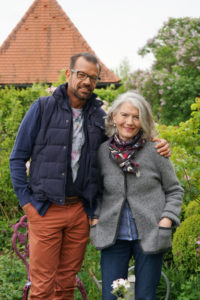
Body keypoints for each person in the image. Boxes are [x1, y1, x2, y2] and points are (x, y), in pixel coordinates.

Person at [10, 52, 170, 300]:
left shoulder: (99, 117)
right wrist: (27, 203)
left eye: (92, 78)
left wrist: (157, 144)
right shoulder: (42, 108)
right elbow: (17, 158)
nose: (86, 82)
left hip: (79, 212)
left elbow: (125, 141)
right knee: (42, 287)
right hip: (45, 209)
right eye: (81, 75)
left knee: (65, 284)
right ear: (68, 74)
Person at [90, 91, 184, 300]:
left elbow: (174, 190)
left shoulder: (156, 151)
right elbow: (95, 190)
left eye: (136, 116)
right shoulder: (101, 152)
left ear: (143, 120)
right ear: (114, 116)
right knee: (111, 296)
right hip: (112, 237)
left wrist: (166, 220)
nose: (129, 122)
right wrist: (95, 218)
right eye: (124, 115)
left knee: (146, 296)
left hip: (151, 234)